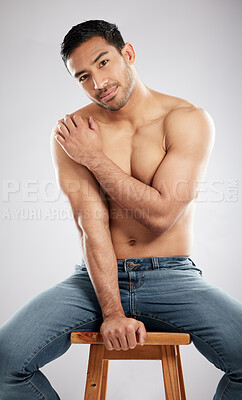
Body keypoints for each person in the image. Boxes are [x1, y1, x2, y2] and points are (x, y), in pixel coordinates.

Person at [0, 19, 241, 400]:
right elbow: (89, 224)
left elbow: (161, 216)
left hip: (171, 276)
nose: (97, 83)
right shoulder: (72, 131)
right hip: (94, 279)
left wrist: (95, 158)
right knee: (4, 360)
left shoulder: (187, 120)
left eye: (103, 63)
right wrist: (111, 310)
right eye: (82, 76)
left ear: (127, 53)